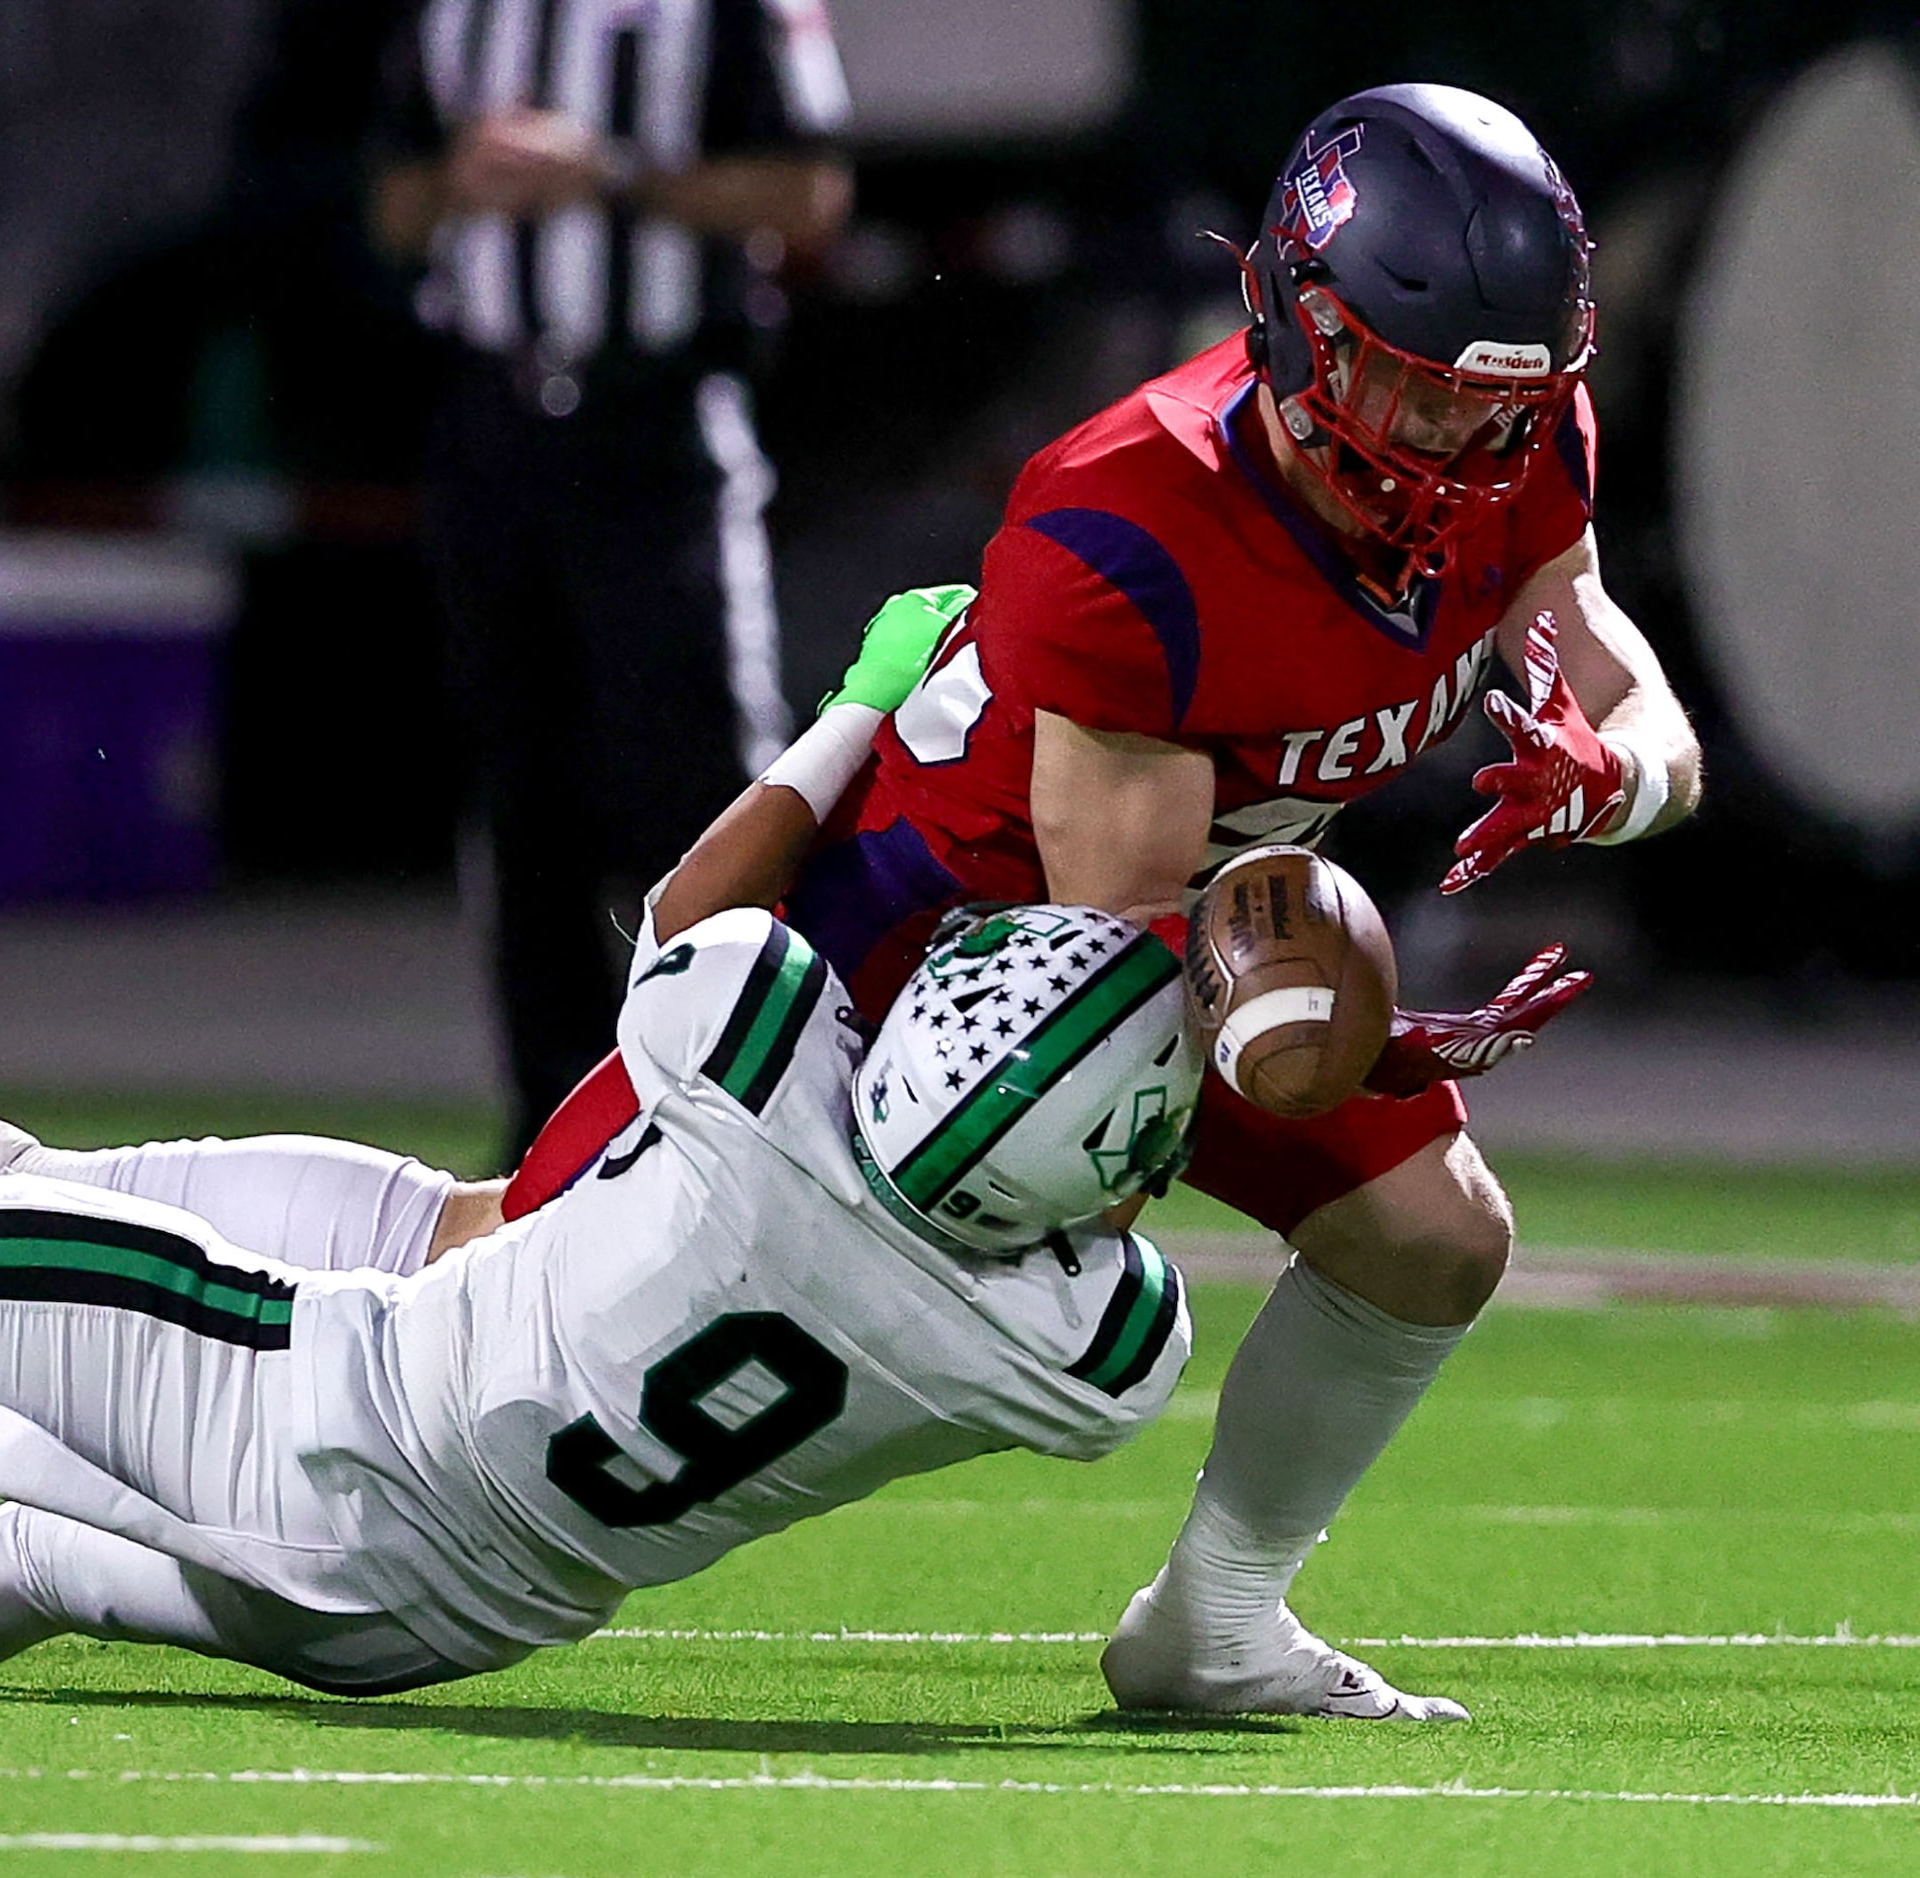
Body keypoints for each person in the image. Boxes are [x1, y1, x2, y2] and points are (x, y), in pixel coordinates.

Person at [0, 647, 1206, 1702]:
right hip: (457, 1614)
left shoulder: (757, 1048)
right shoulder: (1083, 1353)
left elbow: (693, 912)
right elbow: (1100, 1216)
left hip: (338, 1414)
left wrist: (857, 712)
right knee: (28, 1564)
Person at [506, 84, 1705, 1721]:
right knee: (528, 1281)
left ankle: (1211, 1623)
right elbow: (1104, 978)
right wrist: (1342, 1024)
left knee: (1431, 1239)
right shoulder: (1134, 517)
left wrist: (1616, 768)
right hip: (941, 947)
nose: (1449, 447)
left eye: (1491, 409)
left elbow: (1591, 642)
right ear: (1296, 321)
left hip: (1191, 939)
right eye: (1407, 390)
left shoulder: (1510, 441)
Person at [371, 0, 853, 1152]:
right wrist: (461, 180)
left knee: (705, 797)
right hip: (492, 425)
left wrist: (611, 177)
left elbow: (809, 196)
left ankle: (745, 1114)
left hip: (656, 427)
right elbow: (392, 206)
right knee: (519, 805)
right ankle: (551, 1130)